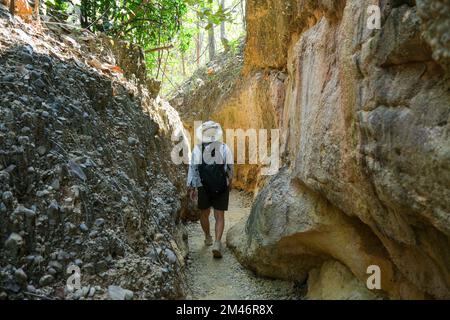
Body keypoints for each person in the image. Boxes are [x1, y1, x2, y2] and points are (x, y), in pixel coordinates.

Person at [187, 121, 233, 258]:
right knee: (219, 216)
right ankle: (218, 243)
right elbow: (230, 168)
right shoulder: (224, 148)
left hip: (203, 186)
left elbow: (193, 169)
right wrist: (229, 182)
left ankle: (208, 237)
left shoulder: (197, 150)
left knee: (204, 213)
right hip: (221, 185)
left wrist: (192, 187)